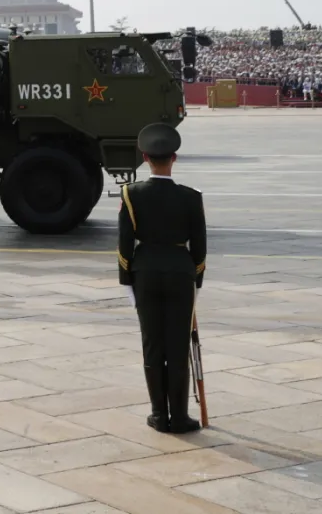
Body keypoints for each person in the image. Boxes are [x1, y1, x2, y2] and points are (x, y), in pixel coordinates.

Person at [118, 122, 205, 433]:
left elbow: (124, 244)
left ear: (145, 158)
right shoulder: (191, 197)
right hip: (181, 275)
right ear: (174, 158)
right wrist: (196, 281)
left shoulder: (131, 194)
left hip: (146, 275)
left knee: (153, 345)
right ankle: (180, 417)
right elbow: (200, 247)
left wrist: (127, 283)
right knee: (178, 345)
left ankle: (159, 415)